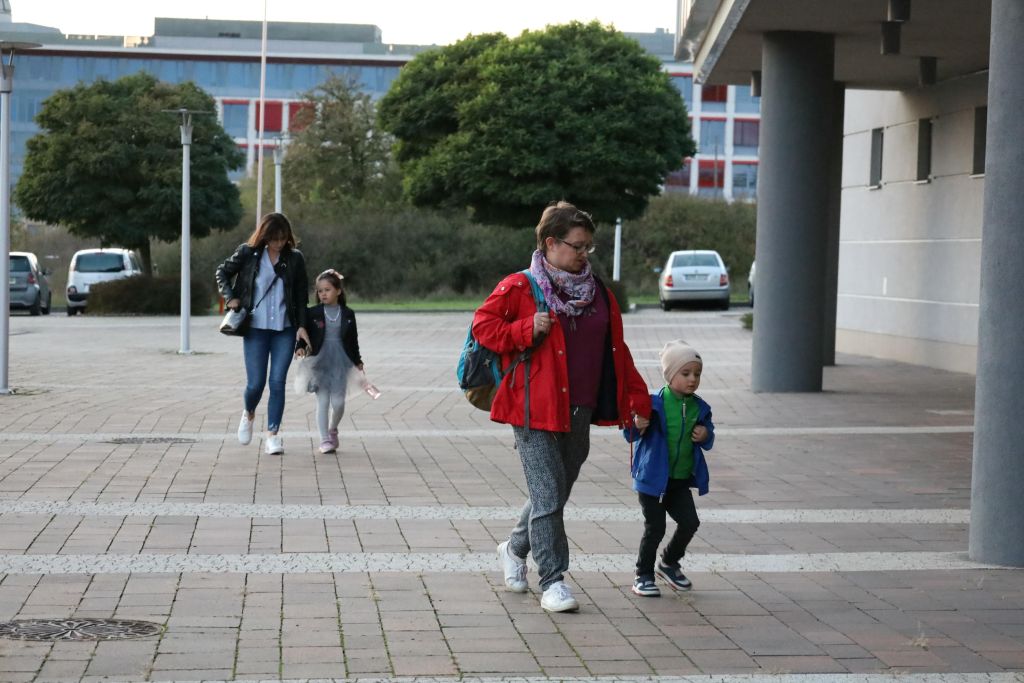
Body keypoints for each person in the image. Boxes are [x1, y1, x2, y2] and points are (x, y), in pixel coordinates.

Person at [472, 200, 651, 613]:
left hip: (581, 408)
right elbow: (483, 326)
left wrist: (637, 401)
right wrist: (523, 328)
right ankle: (553, 581)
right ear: (551, 243)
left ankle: (514, 548)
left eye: (589, 246)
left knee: (551, 493)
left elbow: (617, 352)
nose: (585, 253)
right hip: (532, 408)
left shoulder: (599, 294)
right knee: (549, 492)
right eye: (577, 246)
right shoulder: (520, 286)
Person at [625, 339, 715, 597]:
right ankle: (643, 575)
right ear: (670, 375)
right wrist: (637, 423)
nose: (692, 379)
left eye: (697, 374)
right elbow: (629, 434)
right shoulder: (654, 404)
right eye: (685, 373)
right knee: (656, 527)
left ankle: (669, 562)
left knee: (690, 522)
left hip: (679, 480)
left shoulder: (700, 407)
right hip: (652, 480)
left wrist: (705, 434)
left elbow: (709, 437)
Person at [216, 213, 310, 456]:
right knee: (256, 384)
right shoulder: (248, 253)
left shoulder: (295, 259)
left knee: (277, 382)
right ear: (265, 235)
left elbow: (301, 297)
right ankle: (248, 413)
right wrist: (231, 297)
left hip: (285, 329)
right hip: (255, 328)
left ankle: (273, 435)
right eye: (274, 238)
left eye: (283, 238)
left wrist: (301, 327)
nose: (279, 243)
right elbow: (222, 272)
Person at [293, 269, 364, 454]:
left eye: (327, 289)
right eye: (320, 291)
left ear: (338, 291)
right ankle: (324, 439)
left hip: (341, 362)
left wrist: (358, 361)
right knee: (323, 401)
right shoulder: (312, 313)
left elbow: (353, 340)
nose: (323, 293)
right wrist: (299, 347)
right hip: (319, 362)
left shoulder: (348, 314)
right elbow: (303, 334)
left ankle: (333, 429)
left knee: (339, 403)